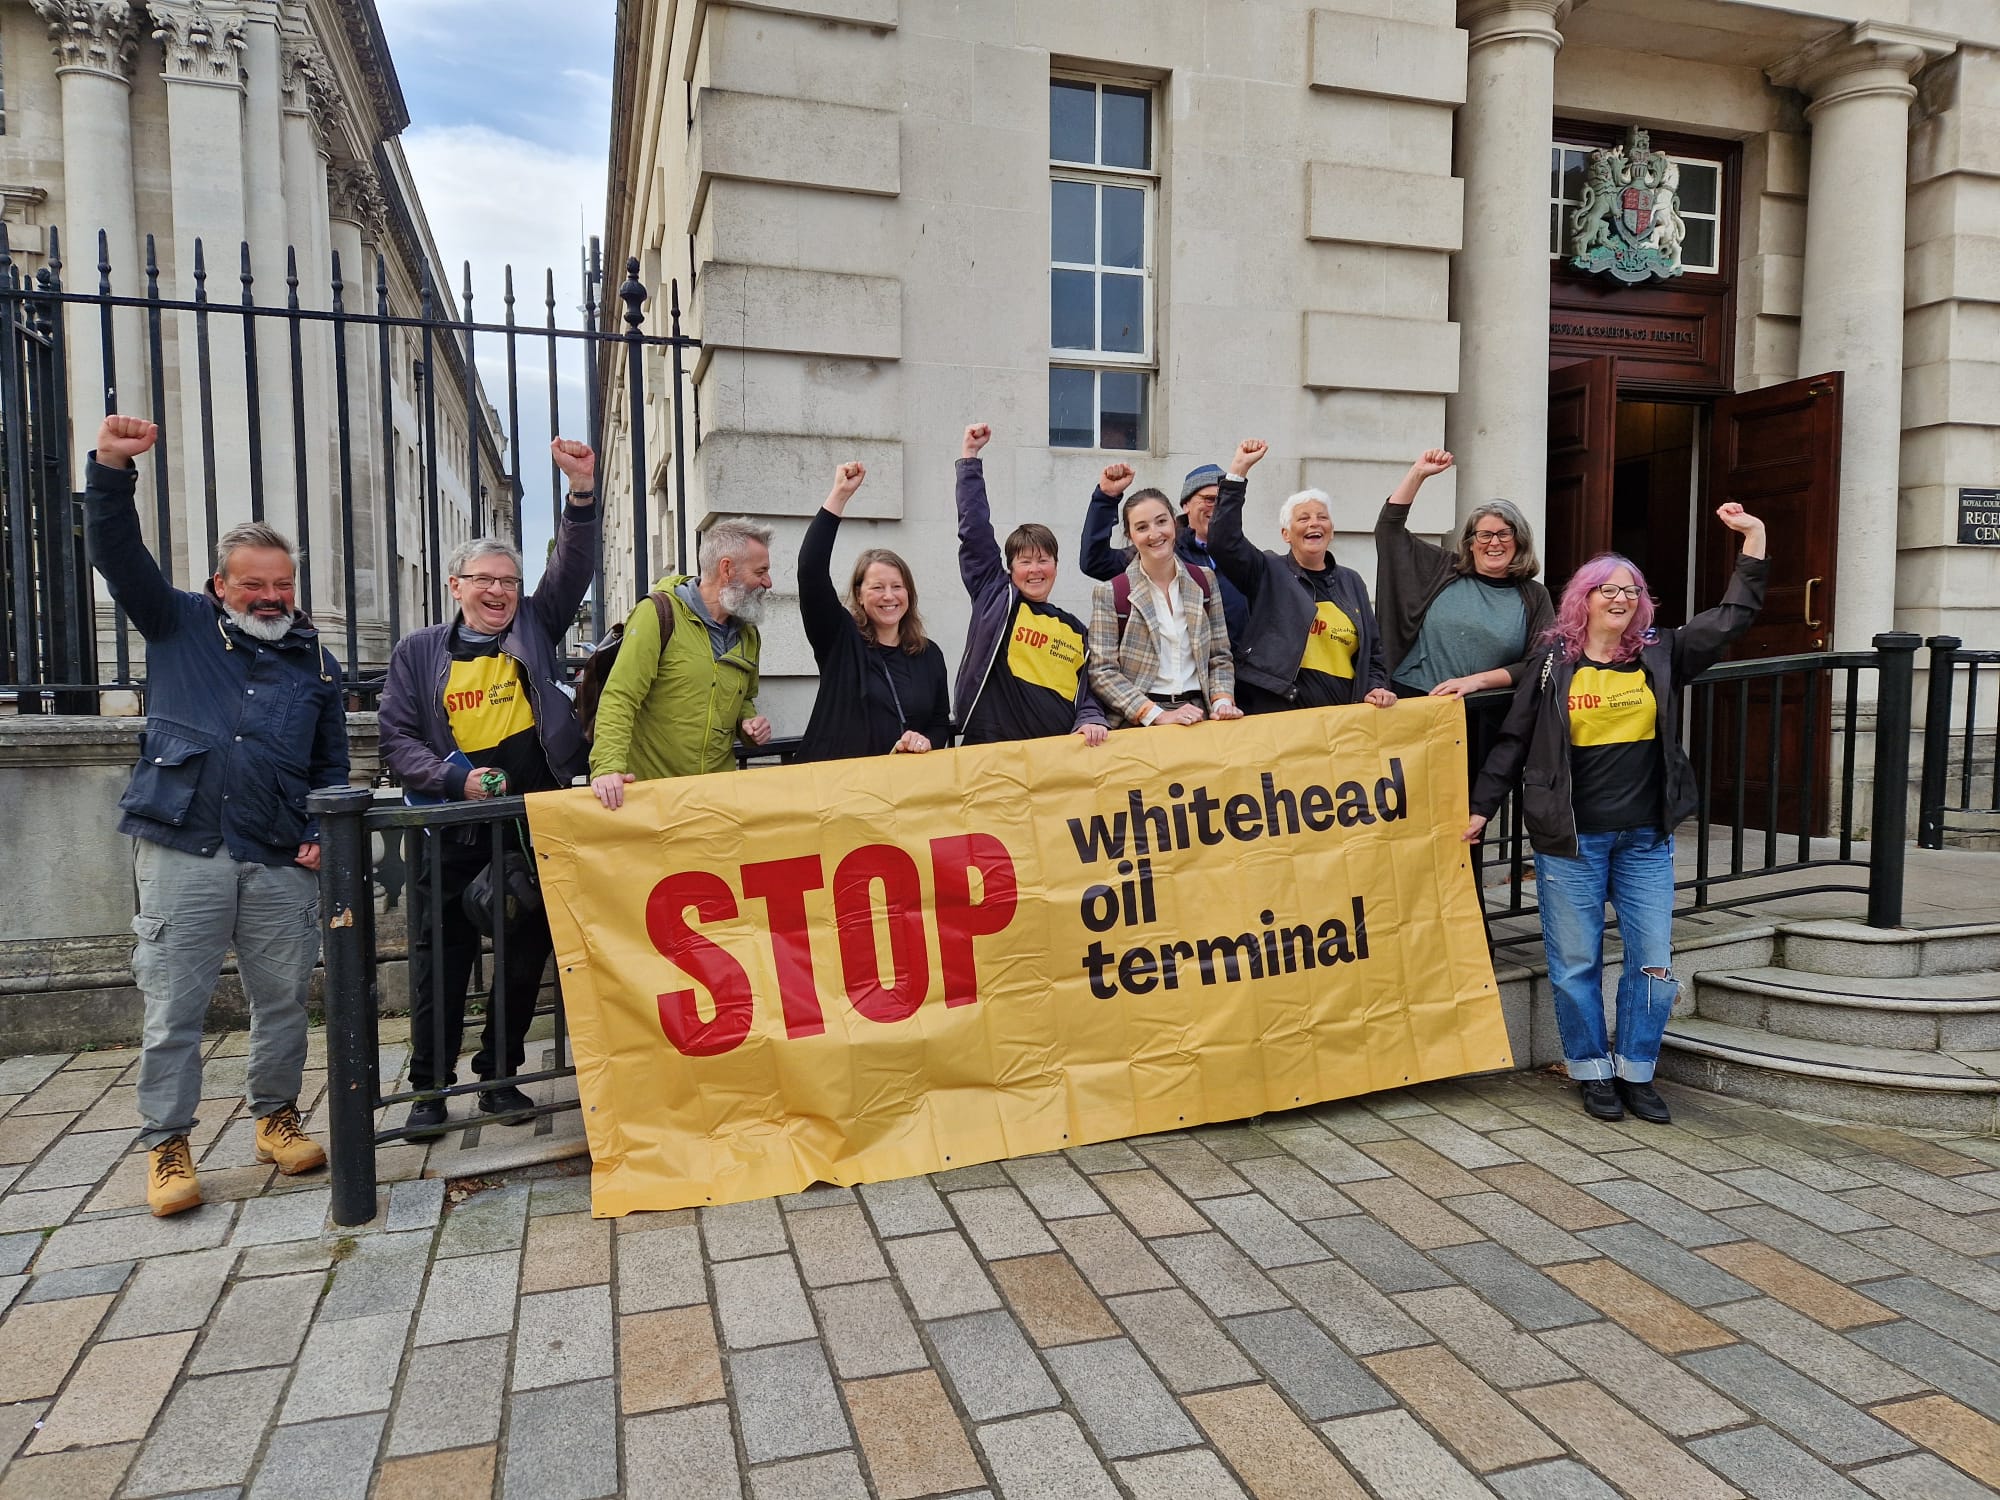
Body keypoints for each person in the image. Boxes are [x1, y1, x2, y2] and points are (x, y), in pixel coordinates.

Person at [86, 414, 345, 1216]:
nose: (270, 598)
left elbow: (330, 764)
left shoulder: (315, 659)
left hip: (276, 855)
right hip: (183, 847)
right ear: (220, 586)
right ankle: (168, 1144)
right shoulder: (176, 625)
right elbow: (118, 557)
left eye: (283, 584)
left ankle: (275, 1117)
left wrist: (314, 835)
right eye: (254, 584)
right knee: (174, 1007)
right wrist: (110, 470)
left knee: (283, 1001)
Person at [1464, 503, 1770, 1125]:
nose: (1621, 599)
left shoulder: (1661, 654)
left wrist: (1754, 541)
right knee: (1575, 963)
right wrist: (1479, 810)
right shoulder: (1555, 663)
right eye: (1609, 590)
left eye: (1631, 591)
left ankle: (1636, 1068)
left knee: (1652, 958)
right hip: (1571, 842)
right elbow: (1513, 741)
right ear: (1583, 599)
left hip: (1643, 840)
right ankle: (1591, 1070)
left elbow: (1733, 617)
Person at [379, 438, 599, 1137]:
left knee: (526, 954)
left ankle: (501, 1078)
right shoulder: (418, 652)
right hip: (451, 827)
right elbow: (398, 741)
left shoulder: (535, 623)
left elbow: (571, 567)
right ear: (457, 586)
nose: (499, 591)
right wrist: (453, 778)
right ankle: (428, 1090)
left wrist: (582, 494)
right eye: (485, 580)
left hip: (532, 823)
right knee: (439, 962)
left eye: (507, 580)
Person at [588, 518, 776, 809]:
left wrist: (748, 723)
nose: (768, 582)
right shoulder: (658, 614)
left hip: (715, 801)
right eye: (760, 571)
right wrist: (608, 768)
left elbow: (745, 698)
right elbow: (620, 696)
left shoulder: (748, 634)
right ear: (726, 569)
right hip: (655, 801)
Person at [1208, 439, 1395, 713]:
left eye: (1322, 517)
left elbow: (1374, 654)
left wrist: (1376, 686)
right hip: (1279, 715)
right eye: (1303, 518)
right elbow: (1223, 541)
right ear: (1286, 534)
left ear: (1331, 531)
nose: (1314, 523)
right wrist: (1238, 472)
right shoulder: (1269, 571)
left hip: (1341, 720)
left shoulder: (1351, 581)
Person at [953, 423, 1108, 747]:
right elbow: (975, 531)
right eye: (1025, 562)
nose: (1035, 570)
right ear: (1010, 569)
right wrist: (970, 459)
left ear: (1056, 566)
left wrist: (1090, 718)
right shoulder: (994, 596)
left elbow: (1091, 688)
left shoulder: (1077, 630)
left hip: (1055, 761)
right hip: (990, 752)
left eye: (1043, 560)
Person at [797, 461, 952, 760]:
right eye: (877, 587)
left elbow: (938, 723)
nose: (889, 596)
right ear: (859, 594)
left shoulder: (929, 654)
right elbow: (810, 569)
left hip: (900, 792)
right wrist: (839, 496)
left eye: (897, 586)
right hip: (839, 791)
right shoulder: (839, 639)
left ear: (909, 593)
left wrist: (924, 741)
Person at [1375, 450, 1555, 699]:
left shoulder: (1534, 595)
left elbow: (1540, 662)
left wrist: (1476, 682)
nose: (1494, 543)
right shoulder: (1444, 568)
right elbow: (1389, 531)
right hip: (1415, 701)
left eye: (1504, 534)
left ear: (1519, 541)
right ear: (1470, 542)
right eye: (1484, 535)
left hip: (1482, 714)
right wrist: (1417, 474)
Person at [1086, 486, 1240, 728]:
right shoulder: (1111, 592)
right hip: (1138, 720)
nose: (1154, 533)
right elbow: (1102, 672)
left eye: (1161, 522)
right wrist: (1157, 714)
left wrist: (1222, 701)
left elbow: (1219, 656)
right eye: (1142, 527)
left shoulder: (1204, 580)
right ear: (1130, 535)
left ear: (1174, 523)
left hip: (1200, 716)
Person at [1081, 459, 1249, 643]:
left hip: (1233, 668)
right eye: (1209, 499)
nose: (1216, 507)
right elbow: (1095, 561)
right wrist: (1106, 498)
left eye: (1223, 501)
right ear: (1186, 505)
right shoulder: (1162, 551)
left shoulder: (1244, 556)